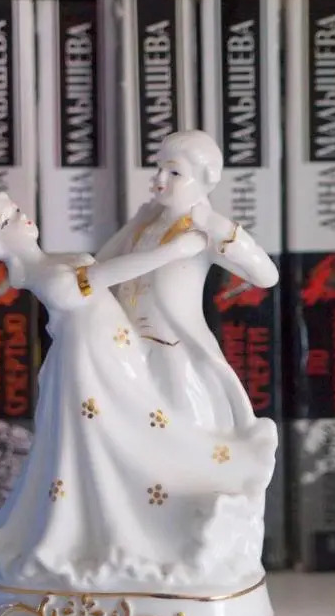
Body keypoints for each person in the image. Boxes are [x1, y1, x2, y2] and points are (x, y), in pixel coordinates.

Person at [0, 191, 276, 592]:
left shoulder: (53, 259)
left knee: (146, 425)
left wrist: (140, 222)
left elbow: (107, 258)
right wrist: (173, 251)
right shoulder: (45, 276)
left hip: (118, 353)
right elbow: (107, 274)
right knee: (119, 439)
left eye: (17, 211)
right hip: (92, 369)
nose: (22, 218)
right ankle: (123, 530)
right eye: (8, 221)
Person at [96, 129, 279, 438]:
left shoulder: (204, 230)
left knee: (186, 431)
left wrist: (224, 230)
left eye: (175, 172)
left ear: (208, 178)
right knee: (126, 431)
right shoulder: (147, 221)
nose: (160, 178)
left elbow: (266, 276)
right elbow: (101, 264)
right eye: (158, 168)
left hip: (173, 349)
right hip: (126, 346)